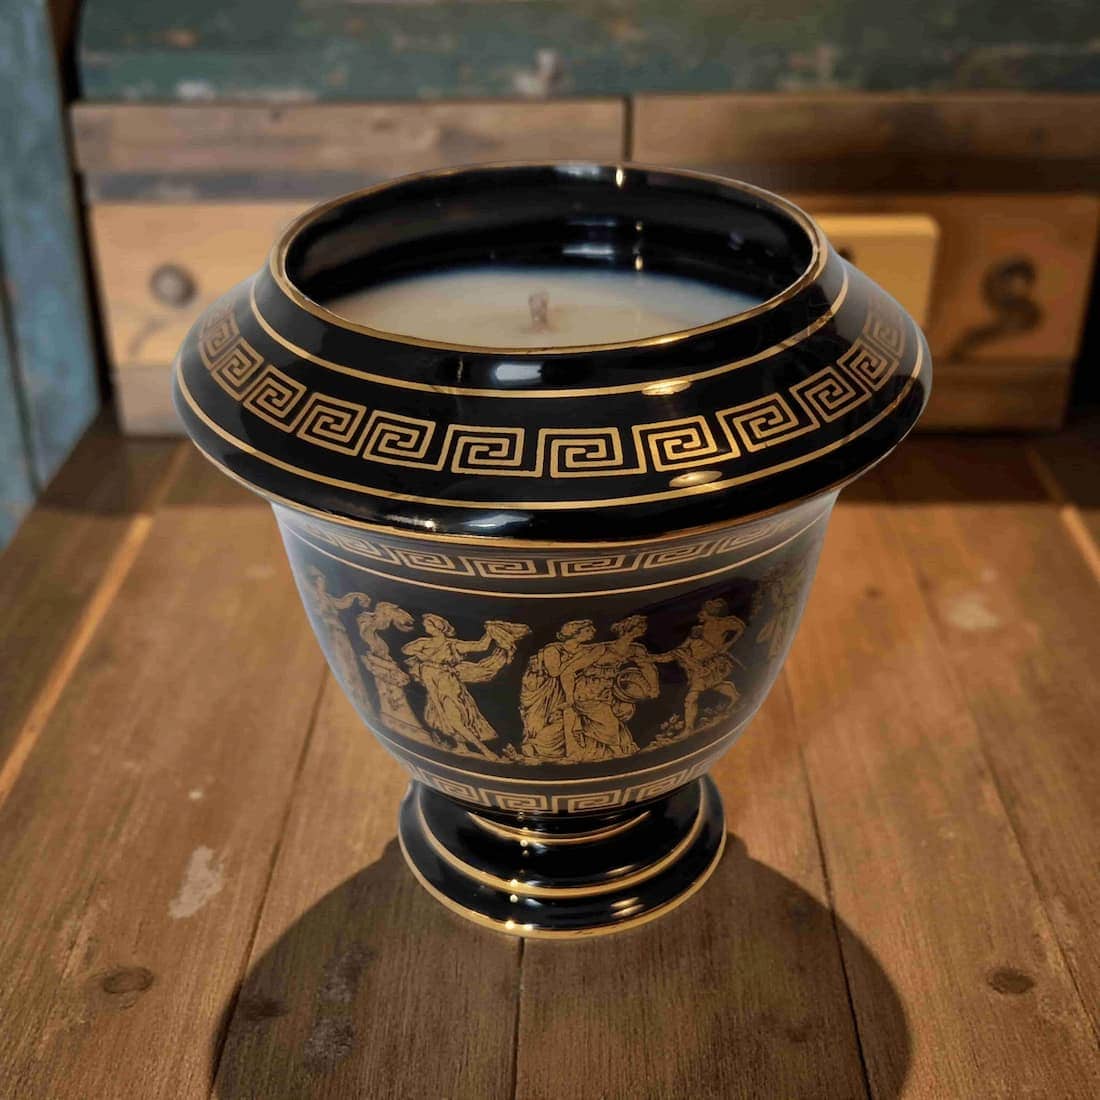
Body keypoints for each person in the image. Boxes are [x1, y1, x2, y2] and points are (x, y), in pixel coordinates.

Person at [402, 614, 528, 757]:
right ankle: (485, 751)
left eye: (427, 625)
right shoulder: (426, 662)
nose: (424, 627)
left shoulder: (452, 645)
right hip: (440, 695)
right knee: (456, 721)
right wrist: (440, 710)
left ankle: (465, 747)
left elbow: (481, 646)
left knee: (461, 719)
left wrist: (490, 631)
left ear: (436, 627)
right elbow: (408, 651)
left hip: (454, 689)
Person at [658, 599, 746, 737]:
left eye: (703, 612)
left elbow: (740, 626)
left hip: (712, 664)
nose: (699, 614)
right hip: (701, 665)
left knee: (691, 698)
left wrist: (728, 645)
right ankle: (735, 697)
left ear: (710, 614)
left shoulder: (723, 624)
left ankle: (688, 729)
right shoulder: (700, 629)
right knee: (715, 685)